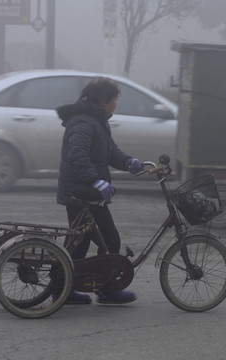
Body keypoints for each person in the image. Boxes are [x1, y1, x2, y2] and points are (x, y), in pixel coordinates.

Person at [55, 77, 144, 305]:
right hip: (81, 193)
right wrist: (95, 181)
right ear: (103, 101)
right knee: (106, 240)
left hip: (87, 193)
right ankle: (98, 290)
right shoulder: (84, 122)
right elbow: (77, 155)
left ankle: (70, 289)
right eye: (114, 99)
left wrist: (129, 162)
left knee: (85, 242)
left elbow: (110, 152)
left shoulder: (97, 121)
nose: (116, 104)